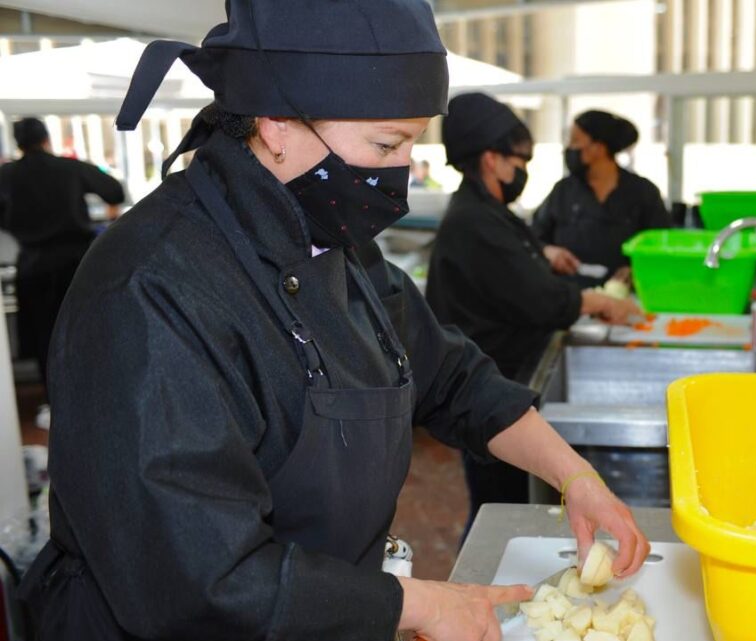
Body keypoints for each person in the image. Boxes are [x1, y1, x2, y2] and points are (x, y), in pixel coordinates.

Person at [16, 3, 648, 641]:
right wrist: (416, 605)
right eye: (386, 143)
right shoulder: (151, 289)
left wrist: (577, 477)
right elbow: (196, 578)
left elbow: (453, 378)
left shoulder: (332, 245)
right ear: (278, 124)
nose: (399, 172)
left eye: (411, 143)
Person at [427, 93, 642, 535]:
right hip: (488, 388)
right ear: (492, 159)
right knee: (497, 508)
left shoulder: (487, 213)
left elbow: (513, 273)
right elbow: (541, 300)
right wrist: (601, 301)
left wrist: (541, 254)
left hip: (498, 381)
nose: (522, 170)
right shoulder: (475, 220)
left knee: (499, 501)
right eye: (519, 160)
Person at [0, 117, 124, 429]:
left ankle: (57, 406)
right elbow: (114, 192)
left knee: (45, 337)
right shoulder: (70, 168)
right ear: (46, 139)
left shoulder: (7, 175)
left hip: (34, 265)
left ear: (18, 144)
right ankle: (99, 400)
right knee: (89, 331)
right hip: (77, 263)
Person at [533, 110, 671, 288]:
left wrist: (636, 269)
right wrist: (548, 251)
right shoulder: (563, 191)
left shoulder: (643, 192)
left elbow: (661, 245)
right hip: (568, 295)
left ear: (598, 147)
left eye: (575, 141)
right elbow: (532, 236)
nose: (569, 148)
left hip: (625, 297)